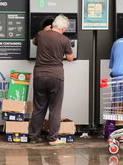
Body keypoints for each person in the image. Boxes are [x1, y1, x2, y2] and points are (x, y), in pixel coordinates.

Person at [28, 14, 74, 146]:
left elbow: (34, 42)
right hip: (56, 76)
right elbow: (70, 58)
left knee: (39, 107)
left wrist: (46, 30)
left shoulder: (41, 34)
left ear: (53, 25)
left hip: (39, 75)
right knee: (55, 108)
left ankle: (34, 137)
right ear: (63, 28)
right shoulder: (64, 39)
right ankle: (53, 138)